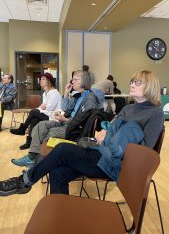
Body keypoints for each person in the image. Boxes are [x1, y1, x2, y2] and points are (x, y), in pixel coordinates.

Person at [0, 70, 164, 196]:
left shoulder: (155, 114)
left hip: (116, 164)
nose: (132, 84)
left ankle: (24, 181)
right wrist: (106, 133)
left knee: (63, 149)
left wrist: (110, 136)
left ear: (150, 86)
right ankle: (60, 218)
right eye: (132, 81)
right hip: (102, 152)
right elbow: (108, 128)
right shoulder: (128, 108)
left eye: (138, 82)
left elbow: (146, 152)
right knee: (57, 172)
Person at [11, 70, 100, 167]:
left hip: (75, 129)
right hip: (67, 122)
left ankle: (38, 164)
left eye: (75, 79)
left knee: (48, 133)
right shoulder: (78, 95)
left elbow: (85, 123)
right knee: (40, 125)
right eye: (72, 79)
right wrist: (66, 93)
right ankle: (32, 157)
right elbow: (65, 107)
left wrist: (65, 120)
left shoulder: (89, 99)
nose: (72, 81)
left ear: (84, 81)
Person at [10, 73, 62, 150]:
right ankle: (29, 142)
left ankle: (23, 129)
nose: (41, 80)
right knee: (35, 119)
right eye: (40, 79)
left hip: (54, 117)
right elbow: (43, 107)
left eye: (43, 79)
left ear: (49, 81)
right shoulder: (45, 93)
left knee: (34, 112)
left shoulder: (53, 92)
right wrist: (42, 108)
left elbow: (49, 108)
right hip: (47, 114)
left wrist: (42, 108)